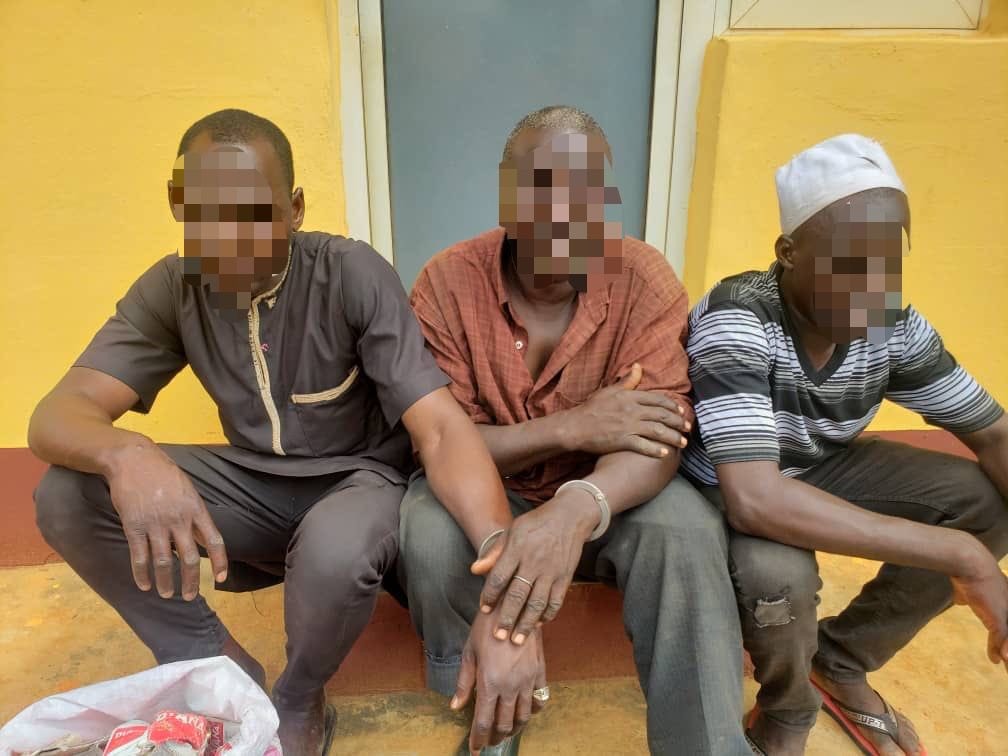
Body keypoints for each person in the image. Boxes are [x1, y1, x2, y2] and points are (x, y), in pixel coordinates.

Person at [28, 108, 513, 756]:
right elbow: (59, 412)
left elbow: (442, 429)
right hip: (253, 485)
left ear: (295, 210)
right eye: (205, 213)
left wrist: (500, 566)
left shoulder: (350, 273)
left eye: (252, 214)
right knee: (66, 494)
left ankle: (300, 695)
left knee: (336, 548)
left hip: (360, 481)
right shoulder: (173, 286)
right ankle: (218, 667)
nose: (227, 237)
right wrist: (127, 454)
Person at [399, 105, 750, 756]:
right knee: (426, 526)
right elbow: (442, 441)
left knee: (685, 530)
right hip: (487, 494)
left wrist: (575, 507)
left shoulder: (642, 278)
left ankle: (705, 744)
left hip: (607, 494)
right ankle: (490, 715)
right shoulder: (447, 283)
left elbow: (659, 436)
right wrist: (576, 426)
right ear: (507, 198)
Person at [683, 133, 1008, 756]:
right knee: (779, 579)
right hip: (723, 487)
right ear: (788, 253)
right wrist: (962, 556)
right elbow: (753, 498)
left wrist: (971, 540)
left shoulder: (890, 323)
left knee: (985, 501)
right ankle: (786, 712)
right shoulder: (739, 317)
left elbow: (993, 433)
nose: (872, 288)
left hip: (818, 466)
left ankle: (840, 660)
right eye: (850, 264)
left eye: (888, 264)